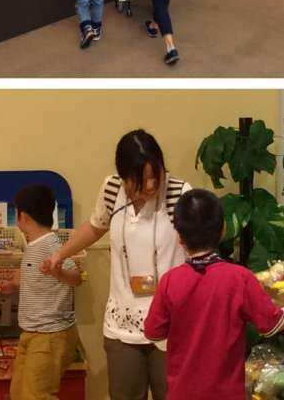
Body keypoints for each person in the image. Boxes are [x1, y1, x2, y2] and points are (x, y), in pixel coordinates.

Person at [41, 129, 192, 400]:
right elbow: (95, 227)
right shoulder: (112, 190)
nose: (150, 186)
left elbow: (204, 238)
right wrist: (59, 255)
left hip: (172, 322)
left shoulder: (179, 193)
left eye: (155, 176)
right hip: (123, 321)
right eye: (140, 180)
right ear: (124, 176)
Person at [144, 189, 284, 400]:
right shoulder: (239, 278)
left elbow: (153, 333)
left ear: (179, 236)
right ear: (224, 228)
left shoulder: (170, 281)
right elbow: (273, 325)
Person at [4, 184, 82, 400]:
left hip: (49, 334)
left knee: (37, 395)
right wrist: (14, 286)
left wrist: (59, 272)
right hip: (31, 331)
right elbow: (38, 279)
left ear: (23, 216)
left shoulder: (52, 246)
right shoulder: (32, 245)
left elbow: (76, 278)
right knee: (18, 393)